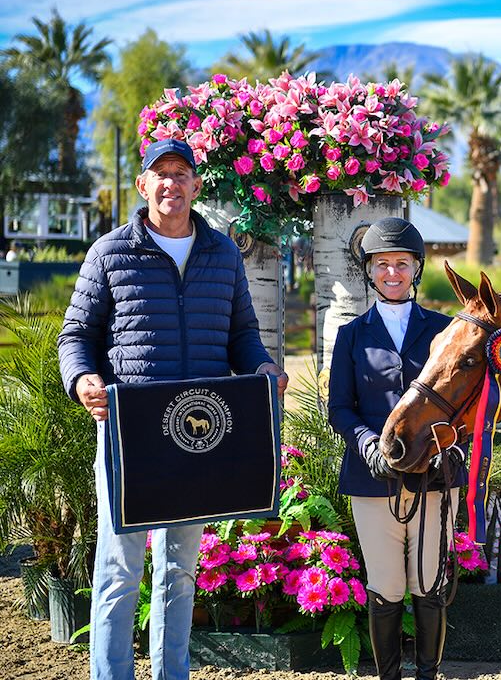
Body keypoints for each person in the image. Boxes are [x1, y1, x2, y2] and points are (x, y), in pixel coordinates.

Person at [57, 137, 289, 680]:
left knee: (181, 570)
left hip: (196, 436)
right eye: (160, 174)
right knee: (119, 570)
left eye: (181, 173)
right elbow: (76, 335)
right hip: (129, 438)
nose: (171, 184)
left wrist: (262, 370)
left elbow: (244, 337)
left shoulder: (223, 253)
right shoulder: (110, 252)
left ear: (196, 185)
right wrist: (82, 379)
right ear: (142, 185)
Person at [327, 216, 465, 680]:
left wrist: (451, 443)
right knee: (385, 586)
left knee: (428, 582)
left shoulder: (446, 332)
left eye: (401, 264)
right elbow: (341, 409)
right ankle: (388, 677)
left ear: (416, 269)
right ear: (370, 270)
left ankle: (429, 674)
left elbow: (464, 402)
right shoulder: (351, 336)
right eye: (382, 264)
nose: (391, 273)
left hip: (435, 477)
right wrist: (369, 446)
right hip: (373, 479)